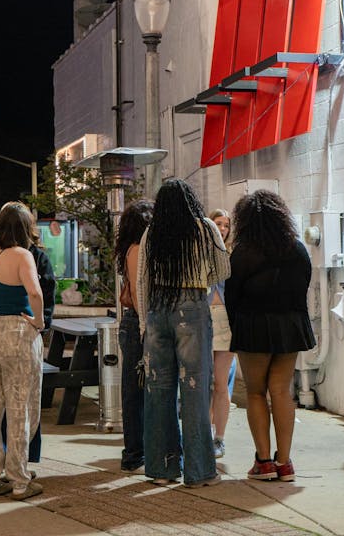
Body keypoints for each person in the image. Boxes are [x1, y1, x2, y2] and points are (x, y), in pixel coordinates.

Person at [135, 179, 230, 488]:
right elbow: (222, 270)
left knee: (158, 390)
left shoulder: (152, 232)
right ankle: (199, 471)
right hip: (192, 306)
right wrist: (200, 275)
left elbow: (142, 280)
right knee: (195, 389)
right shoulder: (206, 228)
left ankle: (162, 470)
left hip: (158, 308)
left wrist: (143, 324)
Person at [224, 190, 315, 483]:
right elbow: (304, 287)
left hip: (253, 325)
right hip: (290, 325)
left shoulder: (243, 252)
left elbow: (232, 296)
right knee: (281, 391)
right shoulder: (297, 248)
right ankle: (285, 463)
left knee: (255, 392)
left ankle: (263, 463)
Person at [0, 202, 45, 500]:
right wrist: (38, 321)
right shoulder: (22, 255)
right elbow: (36, 293)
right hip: (17, 334)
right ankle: (19, 480)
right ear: (25, 228)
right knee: (20, 410)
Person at [115, 199, 153, 473]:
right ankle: (135, 454)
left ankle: (135, 452)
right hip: (138, 324)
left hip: (131, 324)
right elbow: (141, 296)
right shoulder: (139, 250)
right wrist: (147, 327)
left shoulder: (129, 249)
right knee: (137, 392)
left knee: (134, 390)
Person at [207, 208, 235, 459]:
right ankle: (203, 434)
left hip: (226, 321)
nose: (223, 229)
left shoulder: (232, 255)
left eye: (226, 225)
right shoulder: (202, 254)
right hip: (204, 320)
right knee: (203, 382)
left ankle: (219, 437)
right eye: (219, 223)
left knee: (220, 382)